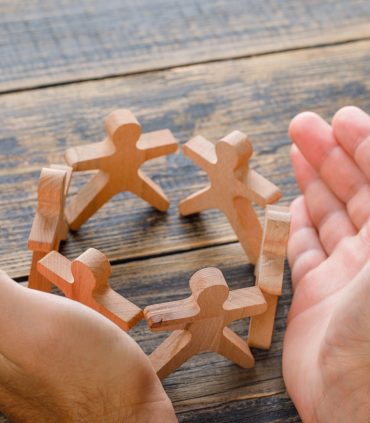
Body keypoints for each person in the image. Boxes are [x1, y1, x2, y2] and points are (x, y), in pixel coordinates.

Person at [0, 106, 369, 422]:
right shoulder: (222, 304)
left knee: (244, 242)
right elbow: (138, 313)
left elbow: (149, 315)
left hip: (224, 207)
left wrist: (126, 409)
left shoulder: (205, 307)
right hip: (189, 203)